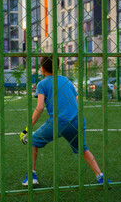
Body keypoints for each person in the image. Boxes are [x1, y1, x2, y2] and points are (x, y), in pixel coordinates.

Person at [19, 56, 110, 186]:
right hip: (77, 121)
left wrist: (27, 129)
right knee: (83, 149)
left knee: (32, 141)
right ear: (57, 67)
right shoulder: (66, 80)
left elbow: (40, 107)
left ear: (43, 69)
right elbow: (77, 100)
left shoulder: (42, 84)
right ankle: (100, 177)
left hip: (58, 123)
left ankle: (31, 175)